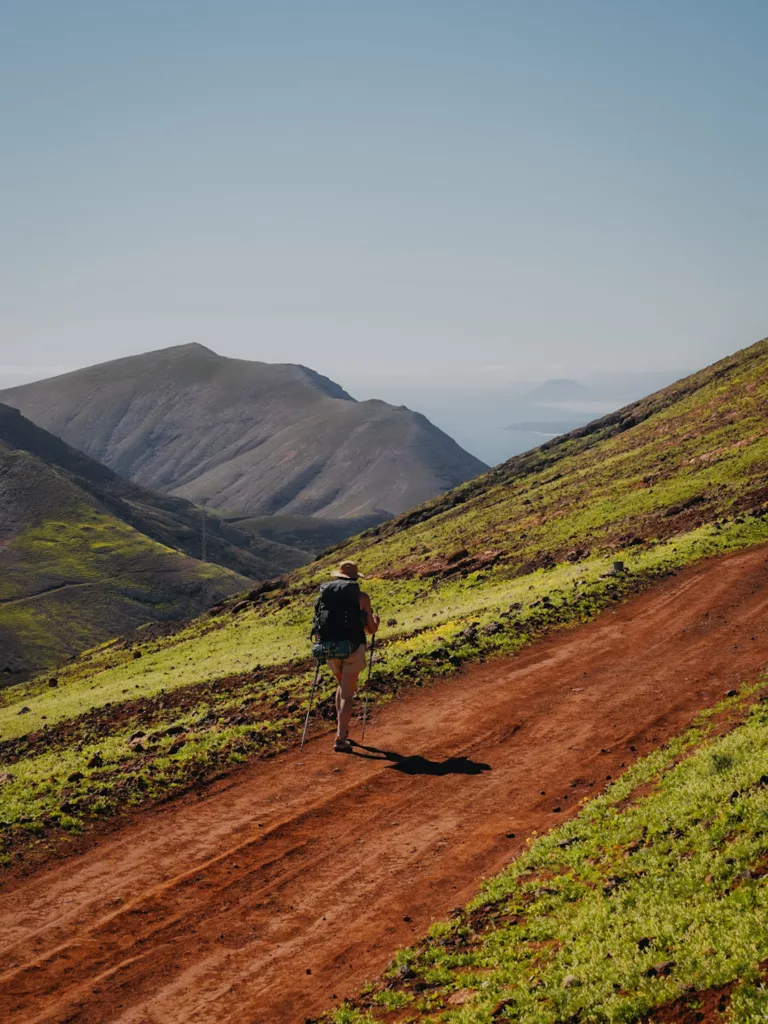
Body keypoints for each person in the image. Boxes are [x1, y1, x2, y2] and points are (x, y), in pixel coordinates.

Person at [315, 560, 379, 752]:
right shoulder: (362, 597)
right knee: (348, 694)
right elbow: (371, 629)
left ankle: (340, 729)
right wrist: (376, 621)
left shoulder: (325, 598)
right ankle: (341, 738)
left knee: (342, 687)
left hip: (329, 649)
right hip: (352, 648)